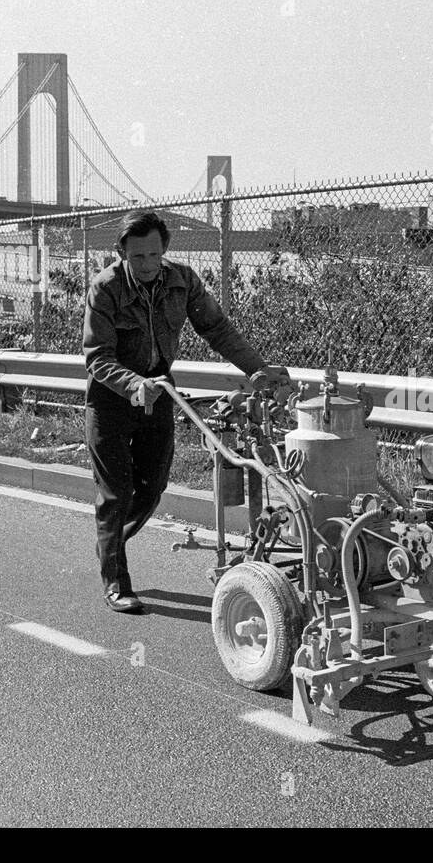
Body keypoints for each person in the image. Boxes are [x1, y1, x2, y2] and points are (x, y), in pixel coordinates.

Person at [82, 210, 289, 613]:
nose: (146, 264)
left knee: (153, 485)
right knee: (116, 492)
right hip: (111, 396)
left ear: (165, 251)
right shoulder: (104, 289)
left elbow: (218, 330)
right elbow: (98, 357)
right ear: (121, 251)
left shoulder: (183, 281)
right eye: (137, 256)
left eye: (153, 255)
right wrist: (132, 385)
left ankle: (111, 542)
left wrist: (258, 369)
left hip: (159, 390)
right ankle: (117, 581)